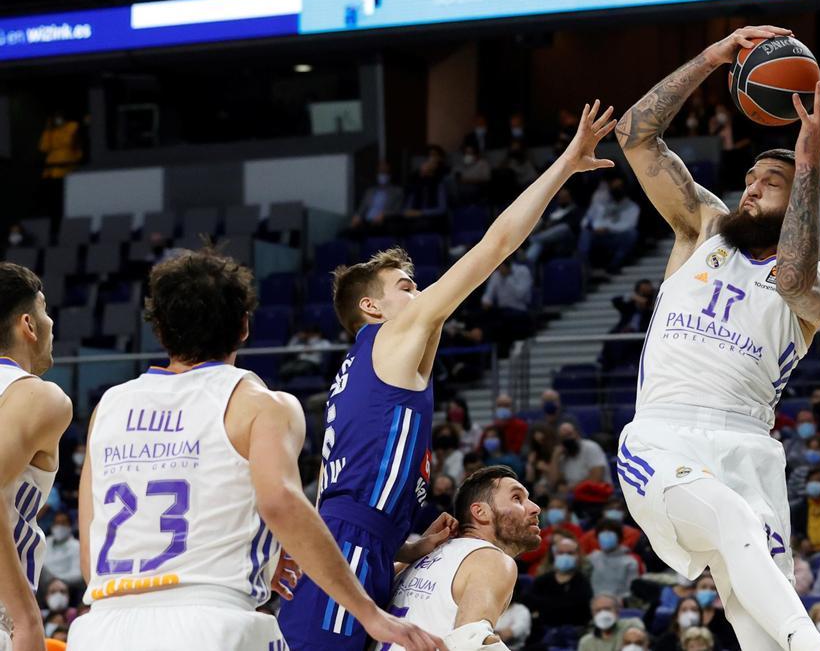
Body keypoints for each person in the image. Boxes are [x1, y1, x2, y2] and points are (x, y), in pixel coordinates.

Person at [279, 100, 618, 650]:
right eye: (406, 286)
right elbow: (496, 245)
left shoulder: (377, 365)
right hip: (349, 541)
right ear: (372, 308)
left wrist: (404, 548)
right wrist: (564, 165)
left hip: (359, 542)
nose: (420, 293)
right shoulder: (390, 339)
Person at [615, 25, 820, 651]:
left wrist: (807, 162)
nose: (750, 188)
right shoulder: (702, 228)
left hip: (750, 447)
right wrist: (712, 58)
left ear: (800, 198)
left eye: (768, 183)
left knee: (755, 616)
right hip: (664, 432)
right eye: (748, 179)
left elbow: (792, 275)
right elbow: (634, 135)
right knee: (735, 526)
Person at [71, 251, 443, 651]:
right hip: (209, 620)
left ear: (159, 329)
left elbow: (91, 548)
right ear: (245, 327)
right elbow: (280, 502)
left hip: (102, 624)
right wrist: (369, 612)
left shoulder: (108, 406)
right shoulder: (260, 403)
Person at [372, 466, 543, 651]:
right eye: (517, 498)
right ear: (480, 512)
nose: (535, 508)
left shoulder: (415, 560)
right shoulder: (491, 558)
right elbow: (470, 642)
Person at [0, 264, 73, 651]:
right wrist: (27, 619)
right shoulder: (38, 396)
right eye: (45, 311)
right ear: (28, 323)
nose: (51, 324)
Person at [526, 536, 593, 634]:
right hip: (542, 630)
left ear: (578, 556)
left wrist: (546, 606)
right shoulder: (542, 580)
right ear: (554, 555)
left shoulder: (582, 582)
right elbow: (529, 601)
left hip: (573, 632)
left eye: (570, 553)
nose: (565, 556)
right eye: (560, 553)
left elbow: (578, 609)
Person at [579, 173, 641, 275]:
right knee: (585, 234)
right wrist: (596, 227)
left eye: (619, 187)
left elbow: (628, 225)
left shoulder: (632, 207)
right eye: (614, 187)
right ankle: (585, 269)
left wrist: (608, 228)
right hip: (599, 235)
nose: (616, 190)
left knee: (632, 234)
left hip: (616, 237)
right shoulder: (603, 204)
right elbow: (591, 219)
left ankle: (614, 265)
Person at [587, 518, 641, 601]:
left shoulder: (630, 562)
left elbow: (631, 589)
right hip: (594, 604)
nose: (606, 536)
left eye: (610, 532)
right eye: (603, 533)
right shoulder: (591, 558)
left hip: (619, 606)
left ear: (619, 537)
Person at [348, 161, 406, 234]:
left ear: (390, 174)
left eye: (385, 172)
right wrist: (357, 217)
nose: (382, 175)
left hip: (383, 224)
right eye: (380, 172)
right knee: (344, 234)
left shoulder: (397, 192)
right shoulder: (369, 191)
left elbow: (398, 211)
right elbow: (362, 209)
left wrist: (384, 215)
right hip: (365, 223)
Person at [576, 593, 647, 651]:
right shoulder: (586, 642)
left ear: (617, 611)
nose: (603, 614)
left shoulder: (631, 624)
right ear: (592, 614)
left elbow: (640, 640)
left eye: (607, 609)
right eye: (598, 610)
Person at [555, 422, 611, 489]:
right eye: (563, 437)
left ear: (577, 433)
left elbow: (596, 478)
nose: (567, 439)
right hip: (572, 495)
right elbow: (555, 482)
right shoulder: (562, 455)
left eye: (569, 434)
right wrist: (555, 456)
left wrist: (571, 488)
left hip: (597, 493)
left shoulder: (591, 447)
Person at [40, 512, 82, 589]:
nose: (59, 526)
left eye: (63, 523)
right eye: (57, 523)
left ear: (70, 526)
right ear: (52, 526)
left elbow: (78, 574)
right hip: (43, 586)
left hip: (67, 586)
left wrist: (57, 580)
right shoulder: (44, 542)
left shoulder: (77, 546)